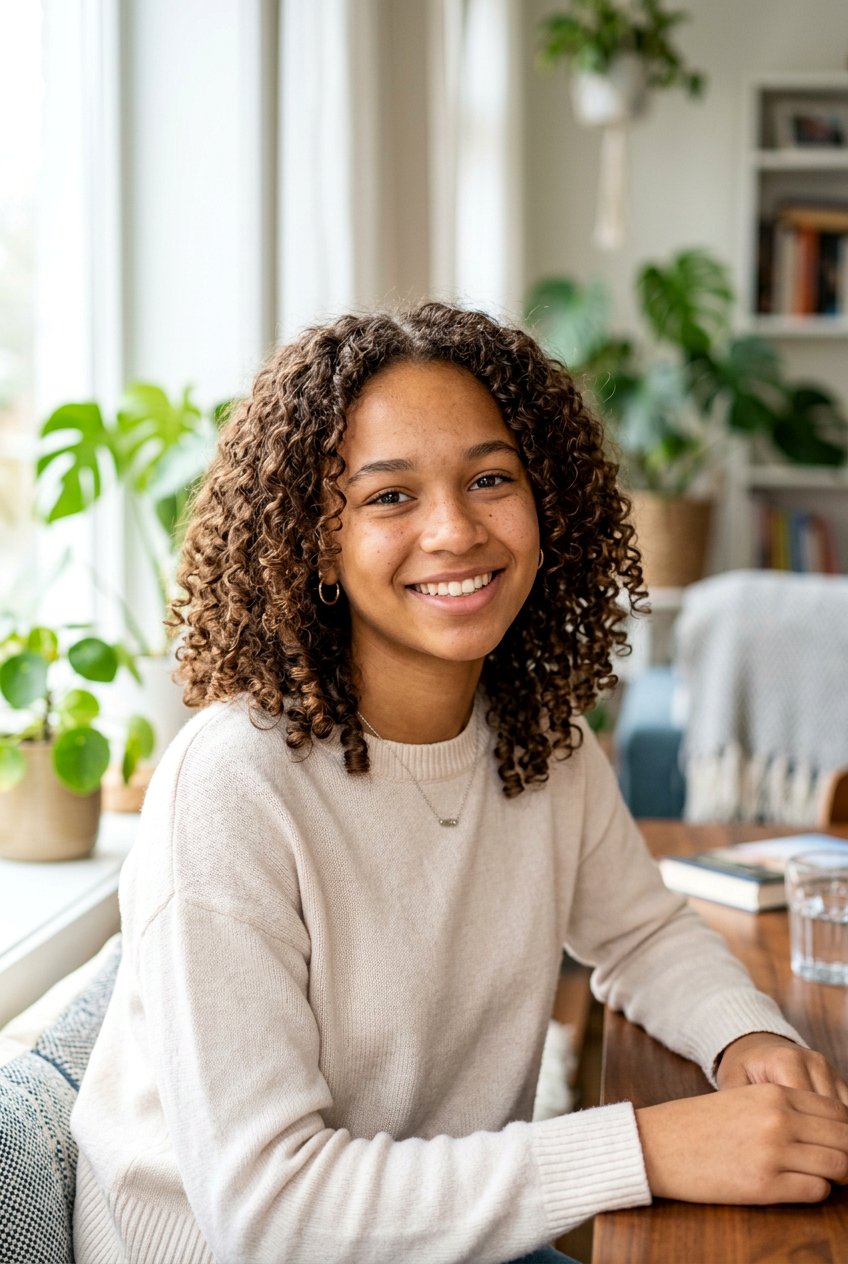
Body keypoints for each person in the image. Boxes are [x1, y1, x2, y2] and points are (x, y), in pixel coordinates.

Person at [71, 303, 848, 1264]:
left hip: (434, 1235)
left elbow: (641, 933)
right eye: (390, 496)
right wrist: (646, 1149)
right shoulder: (233, 783)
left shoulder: (539, 738)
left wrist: (748, 1041)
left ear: (546, 500)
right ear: (316, 539)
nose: (454, 530)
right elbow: (268, 1211)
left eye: (490, 479)